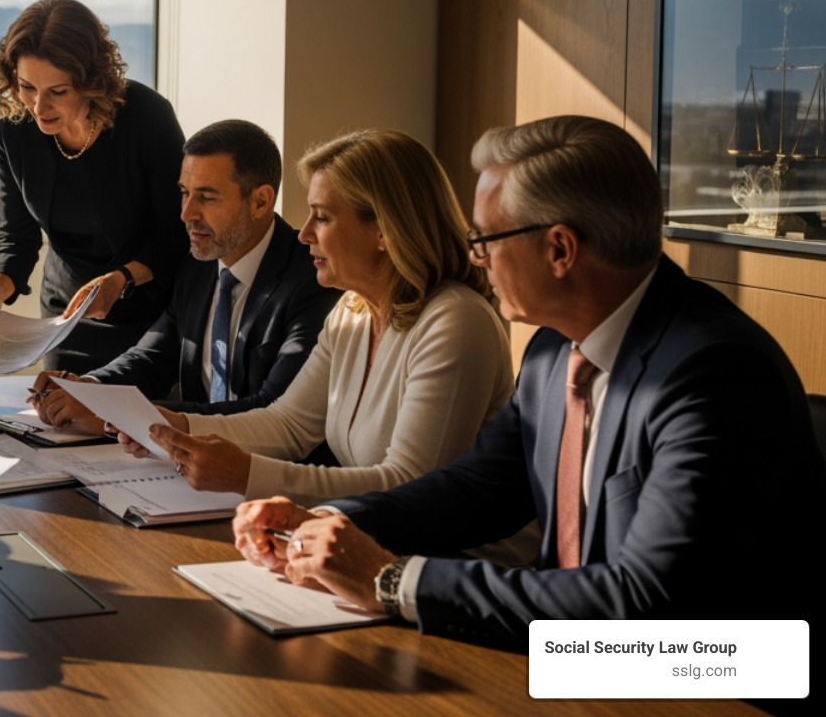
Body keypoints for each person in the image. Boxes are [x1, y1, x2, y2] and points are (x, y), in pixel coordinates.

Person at [234, 115, 826, 650]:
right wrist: (329, 519)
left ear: (560, 249)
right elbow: (480, 489)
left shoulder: (714, 375)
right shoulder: (552, 349)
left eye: (486, 238)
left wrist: (390, 580)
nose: (476, 259)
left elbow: (646, 606)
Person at [117, 129, 518, 512]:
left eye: (322, 218)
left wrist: (247, 474)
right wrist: (175, 426)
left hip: (454, 564)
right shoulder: (352, 312)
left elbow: (409, 484)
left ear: (383, 230)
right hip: (371, 538)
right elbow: (287, 424)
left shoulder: (454, 320)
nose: (304, 233)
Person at [29, 119, 339, 431]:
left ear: (260, 201)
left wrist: (116, 415)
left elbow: (271, 410)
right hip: (185, 468)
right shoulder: (197, 265)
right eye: (184, 193)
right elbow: (151, 358)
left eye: (206, 197)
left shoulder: (313, 279)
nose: (186, 213)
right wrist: (88, 387)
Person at [0, 0, 189, 373]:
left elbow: (176, 233)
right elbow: (17, 234)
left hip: (153, 311)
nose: (37, 106)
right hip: (66, 316)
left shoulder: (146, 118)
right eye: (27, 86)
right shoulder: (10, 127)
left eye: (58, 91)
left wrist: (121, 279)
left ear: (92, 81)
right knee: (60, 423)